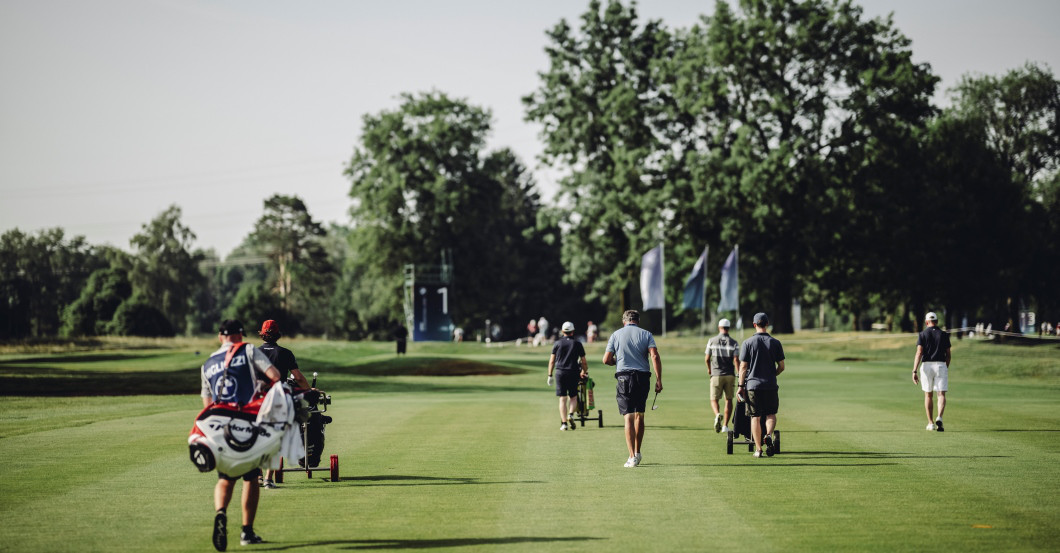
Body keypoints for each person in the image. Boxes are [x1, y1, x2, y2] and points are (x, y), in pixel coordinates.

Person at [200, 319, 281, 550]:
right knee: (250, 477)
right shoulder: (247, 349)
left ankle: (221, 512)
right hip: (246, 425)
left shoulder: (207, 363)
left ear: (220, 336)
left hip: (218, 428)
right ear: (241, 334)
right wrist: (262, 389)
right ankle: (247, 531)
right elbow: (274, 375)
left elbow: (207, 407)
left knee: (225, 478)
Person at [602, 310, 662, 468]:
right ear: (638, 321)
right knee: (639, 415)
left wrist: (617, 361)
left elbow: (606, 359)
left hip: (624, 378)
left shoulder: (616, 335)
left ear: (624, 321)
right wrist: (659, 379)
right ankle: (638, 451)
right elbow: (654, 356)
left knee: (628, 417)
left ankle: (631, 457)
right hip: (643, 377)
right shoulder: (646, 334)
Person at [257, 319, 309, 489]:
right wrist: (310, 390)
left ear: (263, 334)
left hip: (258, 400)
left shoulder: (254, 353)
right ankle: (268, 479)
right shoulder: (285, 353)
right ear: (277, 334)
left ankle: (257, 474)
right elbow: (299, 378)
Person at [737, 312, 785, 458]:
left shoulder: (747, 343)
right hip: (770, 384)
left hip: (753, 386)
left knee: (755, 417)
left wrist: (740, 386)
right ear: (767, 324)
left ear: (754, 324)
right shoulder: (775, 343)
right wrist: (772, 375)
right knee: (771, 414)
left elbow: (743, 367)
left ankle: (758, 449)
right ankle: (768, 434)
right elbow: (781, 366)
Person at [913, 311, 951, 431]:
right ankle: (939, 416)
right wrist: (945, 367)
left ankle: (930, 423)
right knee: (941, 394)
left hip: (926, 366)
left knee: (928, 394)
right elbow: (948, 355)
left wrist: (914, 370)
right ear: (937, 321)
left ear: (926, 322)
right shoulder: (944, 334)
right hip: (940, 364)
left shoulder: (922, 334)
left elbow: (919, 352)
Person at [547, 321, 589, 431]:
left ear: (562, 331)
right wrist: (584, 370)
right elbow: (583, 361)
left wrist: (550, 375)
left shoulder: (557, 343)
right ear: (573, 331)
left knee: (562, 398)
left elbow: (552, 361)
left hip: (560, 372)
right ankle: (571, 414)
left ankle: (564, 423)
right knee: (573, 396)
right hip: (573, 372)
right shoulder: (577, 343)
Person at [704, 318, 739, 434]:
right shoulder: (734, 342)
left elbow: (707, 358)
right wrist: (738, 373)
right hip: (729, 374)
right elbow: (736, 360)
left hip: (716, 374)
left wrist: (709, 370)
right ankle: (725, 426)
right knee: (728, 400)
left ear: (719, 327)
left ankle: (717, 414)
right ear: (729, 328)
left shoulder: (712, 341)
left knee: (714, 399)